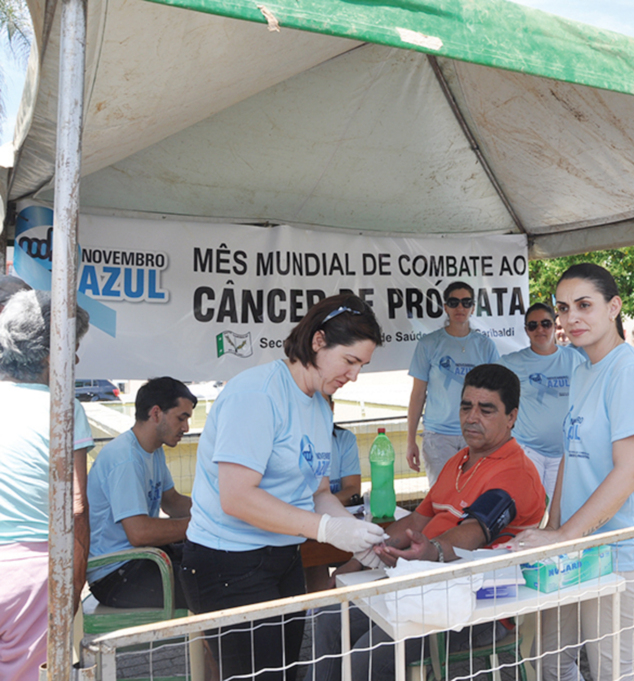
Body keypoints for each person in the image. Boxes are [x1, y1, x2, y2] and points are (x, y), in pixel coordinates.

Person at [180, 294, 387, 681]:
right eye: (350, 361)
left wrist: (355, 534)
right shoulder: (258, 395)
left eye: (362, 365)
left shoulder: (320, 405)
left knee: (286, 672)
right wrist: (324, 530)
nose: (354, 375)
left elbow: (319, 492)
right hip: (228, 562)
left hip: (283, 556)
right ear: (319, 341)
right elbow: (237, 497)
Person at [306, 364, 546, 681]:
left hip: (477, 604)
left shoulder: (515, 472)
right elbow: (418, 520)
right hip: (421, 586)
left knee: (369, 652)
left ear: (511, 417)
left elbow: (473, 533)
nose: (472, 417)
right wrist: (357, 561)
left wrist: (430, 551)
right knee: (329, 617)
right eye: (466, 406)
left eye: (486, 410)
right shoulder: (458, 461)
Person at [507, 263, 634, 681]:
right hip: (577, 552)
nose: (569, 318)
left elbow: (629, 473)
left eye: (584, 305)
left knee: (611, 673)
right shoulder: (579, 367)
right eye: (563, 308)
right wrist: (552, 527)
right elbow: (570, 456)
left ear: (613, 307)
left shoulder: (629, 373)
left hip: (619, 555)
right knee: (546, 660)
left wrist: (563, 535)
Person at [0, 291, 93, 681]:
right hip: (34, 574)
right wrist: (72, 590)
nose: (74, 359)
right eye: (71, 348)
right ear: (50, 352)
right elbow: (76, 507)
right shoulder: (64, 408)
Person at [87, 377, 196, 609]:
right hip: (114, 574)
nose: (186, 428)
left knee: (211, 559)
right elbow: (140, 533)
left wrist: (217, 510)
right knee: (208, 584)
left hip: (140, 557)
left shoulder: (153, 450)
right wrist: (202, 524)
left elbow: (172, 502)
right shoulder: (125, 458)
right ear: (156, 413)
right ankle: (208, 643)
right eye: (181, 418)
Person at [407, 281, 501, 485]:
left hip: (477, 433)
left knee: (476, 496)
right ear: (445, 307)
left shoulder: (486, 345)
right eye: (454, 302)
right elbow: (418, 394)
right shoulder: (428, 344)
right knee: (444, 497)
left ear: (473, 307)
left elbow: (497, 393)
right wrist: (410, 440)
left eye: (466, 302)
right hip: (438, 436)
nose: (460, 307)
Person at [499, 302, 585, 495]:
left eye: (545, 324)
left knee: (558, 515)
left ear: (555, 326)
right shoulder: (510, 363)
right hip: (527, 450)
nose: (540, 329)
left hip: (565, 453)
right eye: (533, 325)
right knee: (528, 510)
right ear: (526, 330)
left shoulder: (575, 359)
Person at [306, 394, 365, 592]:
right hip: (306, 525)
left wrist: (320, 502)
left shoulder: (344, 439)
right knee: (312, 558)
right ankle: (319, 611)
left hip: (335, 518)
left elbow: (352, 490)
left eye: (324, 403)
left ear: (332, 406)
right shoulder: (293, 441)